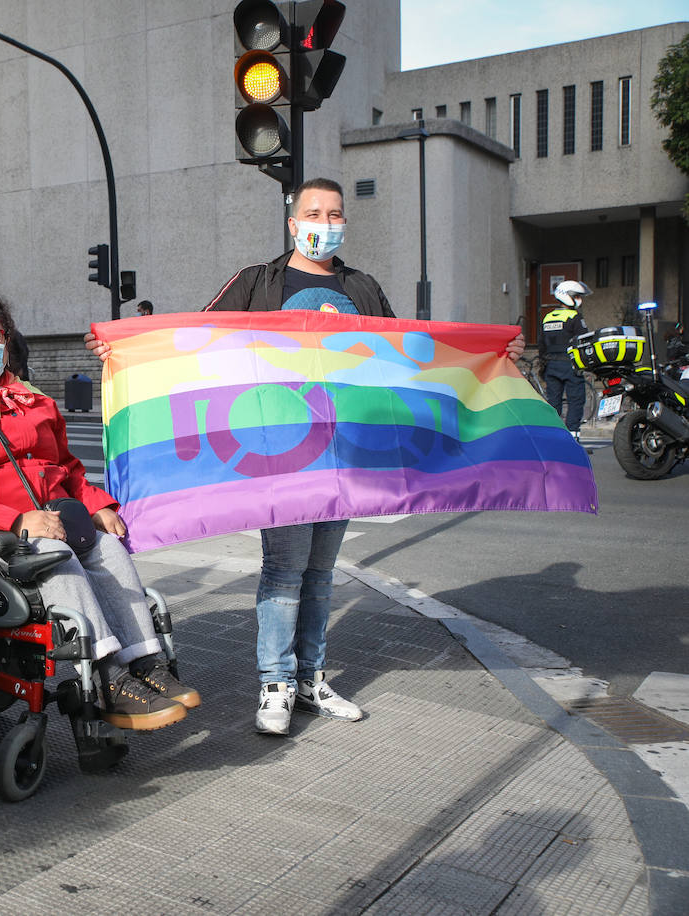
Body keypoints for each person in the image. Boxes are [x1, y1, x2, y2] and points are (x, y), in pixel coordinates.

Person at [87, 177, 524, 737]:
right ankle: (275, 683)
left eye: (334, 213)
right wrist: (122, 346)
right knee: (284, 570)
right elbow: (196, 340)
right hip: (281, 457)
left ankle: (311, 679)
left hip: (344, 456)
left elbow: (406, 355)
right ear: (293, 223)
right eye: (313, 213)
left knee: (320, 575)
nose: (324, 222)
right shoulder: (258, 282)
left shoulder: (362, 288)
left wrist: (489, 351)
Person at [0, 289, 200, 731]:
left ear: (5, 341)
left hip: (58, 518)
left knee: (109, 550)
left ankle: (147, 663)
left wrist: (96, 504)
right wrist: (17, 519)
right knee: (57, 556)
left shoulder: (34, 401)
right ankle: (110, 678)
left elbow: (66, 467)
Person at [538, 280, 592, 439]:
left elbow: (541, 345)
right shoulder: (574, 317)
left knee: (554, 403)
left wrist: (543, 366)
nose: (579, 300)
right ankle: (573, 436)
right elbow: (583, 341)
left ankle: (553, 436)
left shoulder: (547, 318)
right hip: (570, 365)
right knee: (576, 400)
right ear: (566, 296)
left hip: (551, 365)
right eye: (576, 296)